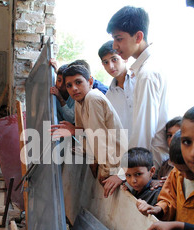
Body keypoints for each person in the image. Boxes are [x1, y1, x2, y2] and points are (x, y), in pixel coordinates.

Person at [107, 6, 170, 170]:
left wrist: (127, 173)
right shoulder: (147, 68)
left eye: (119, 38)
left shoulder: (147, 74)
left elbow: (144, 132)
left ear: (138, 36)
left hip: (149, 164)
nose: (114, 45)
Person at [50, 65, 127, 198]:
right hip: (106, 160)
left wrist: (109, 172)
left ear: (90, 82)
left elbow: (98, 139)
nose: (74, 88)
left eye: (78, 82)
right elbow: (85, 132)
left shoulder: (92, 98)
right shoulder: (79, 101)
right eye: (69, 85)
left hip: (115, 164)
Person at [137, 131, 194, 230]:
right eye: (180, 170)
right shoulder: (176, 173)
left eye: (190, 170)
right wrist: (158, 208)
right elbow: (168, 199)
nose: (185, 175)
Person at [98, 40, 134, 139]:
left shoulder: (140, 81)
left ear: (124, 58)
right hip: (127, 150)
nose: (111, 66)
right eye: (106, 62)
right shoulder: (108, 97)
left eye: (114, 59)